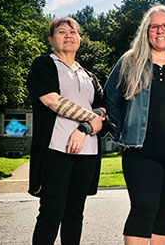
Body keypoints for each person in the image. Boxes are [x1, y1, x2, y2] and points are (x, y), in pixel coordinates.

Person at [104, 5, 165, 245]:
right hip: (140, 152)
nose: (160, 31)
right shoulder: (130, 61)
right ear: (146, 31)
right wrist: (123, 129)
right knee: (144, 207)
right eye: (154, 26)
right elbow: (110, 98)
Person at [26, 17, 106, 245]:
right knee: (52, 211)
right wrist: (91, 117)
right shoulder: (44, 64)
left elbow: (102, 109)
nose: (68, 35)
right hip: (56, 151)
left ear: (79, 39)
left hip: (87, 154)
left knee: (75, 213)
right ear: (51, 40)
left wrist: (84, 127)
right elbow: (52, 100)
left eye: (73, 31)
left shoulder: (89, 75)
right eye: (61, 32)